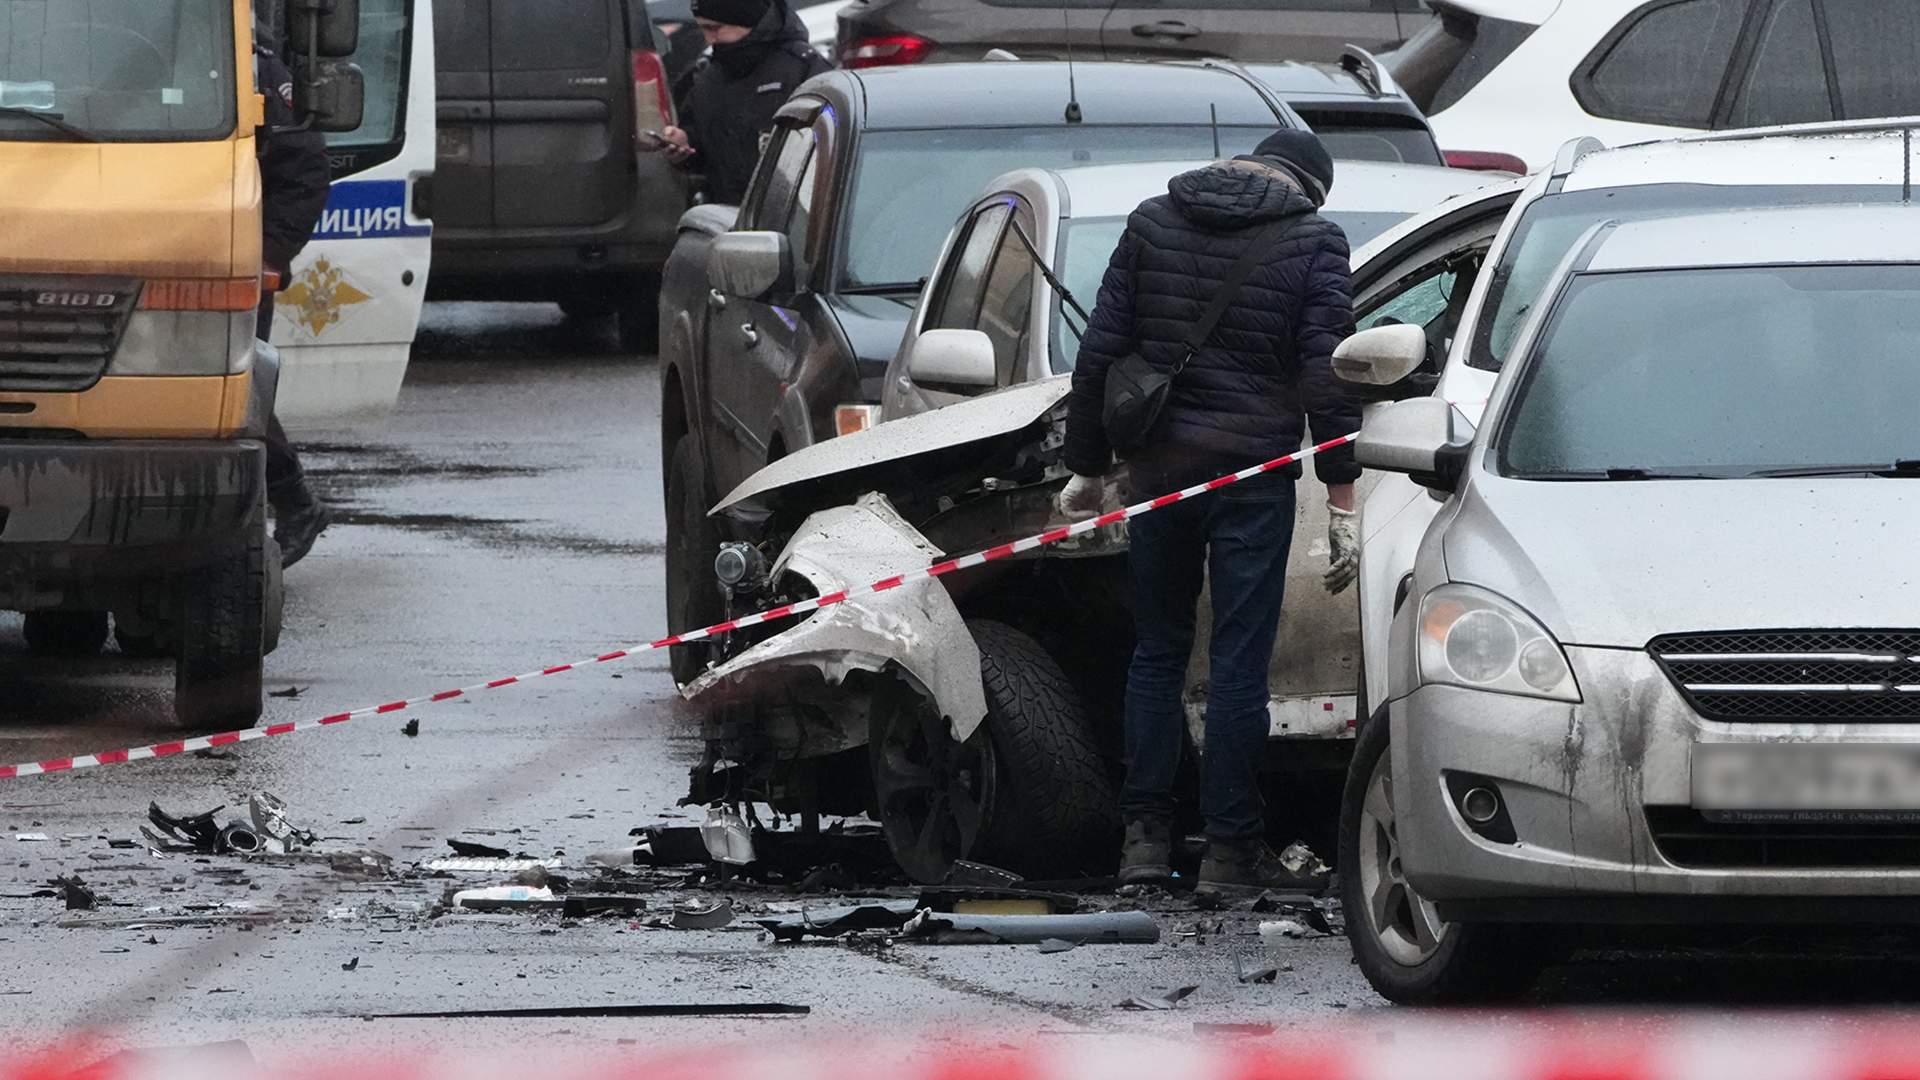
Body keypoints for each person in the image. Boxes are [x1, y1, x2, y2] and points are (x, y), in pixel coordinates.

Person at [1056, 129, 1363, 900]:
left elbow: (1100, 349)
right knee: (1237, 663)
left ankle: (1143, 844)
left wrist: (1085, 467)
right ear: (1307, 190)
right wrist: (1342, 492)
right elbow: (1327, 372)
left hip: (1159, 471)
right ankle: (1230, 851)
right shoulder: (1314, 240)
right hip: (1251, 479)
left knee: (1157, 652)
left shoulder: (1153, 221)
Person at [255, 36, 336, 568]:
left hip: (223, 259)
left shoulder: (249, 66)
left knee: (231, 392)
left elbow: (304, 172)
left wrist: (265, 253)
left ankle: (295, 501)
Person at [657, 0, 828, 206]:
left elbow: (833, 144)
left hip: (794, 209)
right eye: (703, 29)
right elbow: (702, 150)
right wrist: (682, 145)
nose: (709, 39)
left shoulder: (802, 68)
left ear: (746, 20)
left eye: (715, 28)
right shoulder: (707, 78)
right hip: (728, 211)